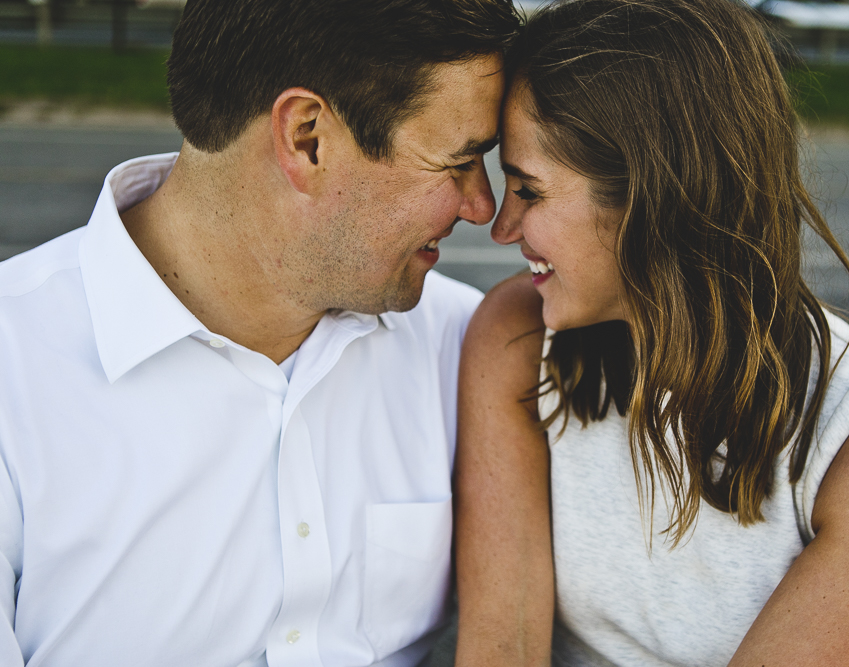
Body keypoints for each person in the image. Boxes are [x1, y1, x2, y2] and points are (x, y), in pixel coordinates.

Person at [0, 0, 519, 665]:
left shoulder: (460, 344)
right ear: (307, 138)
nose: (482, 206)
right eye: (459, 161)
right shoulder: (15, 368)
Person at [453, 0, 849, 665]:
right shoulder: (516, 339)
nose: (501, 228)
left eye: (529, 190)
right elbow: (503, 650)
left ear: (651, 196)